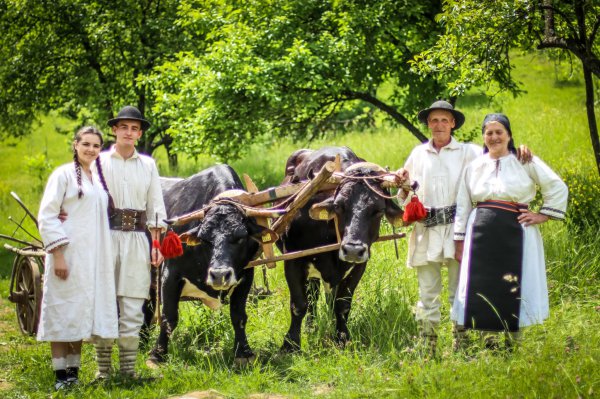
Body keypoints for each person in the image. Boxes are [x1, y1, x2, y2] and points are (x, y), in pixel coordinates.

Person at [451, 113, 567, 347]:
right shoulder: (474, 167)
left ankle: (514, 341)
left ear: (509, 135)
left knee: (515, 282)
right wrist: (459, 240)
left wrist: (542, 214)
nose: (494, 137)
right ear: (483, 137)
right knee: (482, 282)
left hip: (516, 230)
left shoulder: (524, 161)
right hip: (480, 232)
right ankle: (488, 341)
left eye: (498, 132)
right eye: (489, 133)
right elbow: (463, 204)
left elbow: (557, 186)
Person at [396, 100, 481, 353]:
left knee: (460, 289)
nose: (439, 125)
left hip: (458, 231)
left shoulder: (470, 152)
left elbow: (497, 163)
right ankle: (427, 345)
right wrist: (401, 181)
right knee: (427, 291)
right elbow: (404, 192)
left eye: (445, 120)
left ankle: (462, 343)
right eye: (434, 120)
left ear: (453, 123)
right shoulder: (418, 154)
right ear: (428, 124)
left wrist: (518, 151)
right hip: (426, 229)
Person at [37, 126, 118, 390]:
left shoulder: (94, 177)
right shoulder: (63, 175)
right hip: (68, 255)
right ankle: (60, 376)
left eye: (96, 146)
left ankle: (73, 373)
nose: (91, 150)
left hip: (91, 259)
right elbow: (48, 216)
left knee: (80, 313)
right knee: (62, 310)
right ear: (75, 144)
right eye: (86, 144)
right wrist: (58, 254)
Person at [93, 105, 167, 378]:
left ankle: (127, 371)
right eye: (123, 127)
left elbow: (156, 207)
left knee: (133, 305)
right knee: (103, 303)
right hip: (105, 238)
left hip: (137, 239)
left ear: (139, 134)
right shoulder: (98, 162)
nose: (128, 132)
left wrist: (156, 244)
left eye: (134, 128)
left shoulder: (148, 165)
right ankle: (103, 371)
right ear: (114, 130)